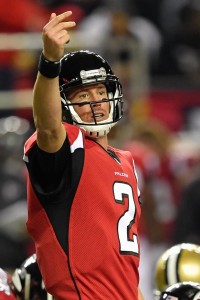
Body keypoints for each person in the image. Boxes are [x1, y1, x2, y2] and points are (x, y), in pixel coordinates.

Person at [23, 11, 143, 300]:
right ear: (63, 104)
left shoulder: (125, 160)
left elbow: (124, 267)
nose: (96, 102)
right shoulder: (67, 144)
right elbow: (49, 128)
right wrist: (49, 63)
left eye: (100, 91)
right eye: (83, 96)